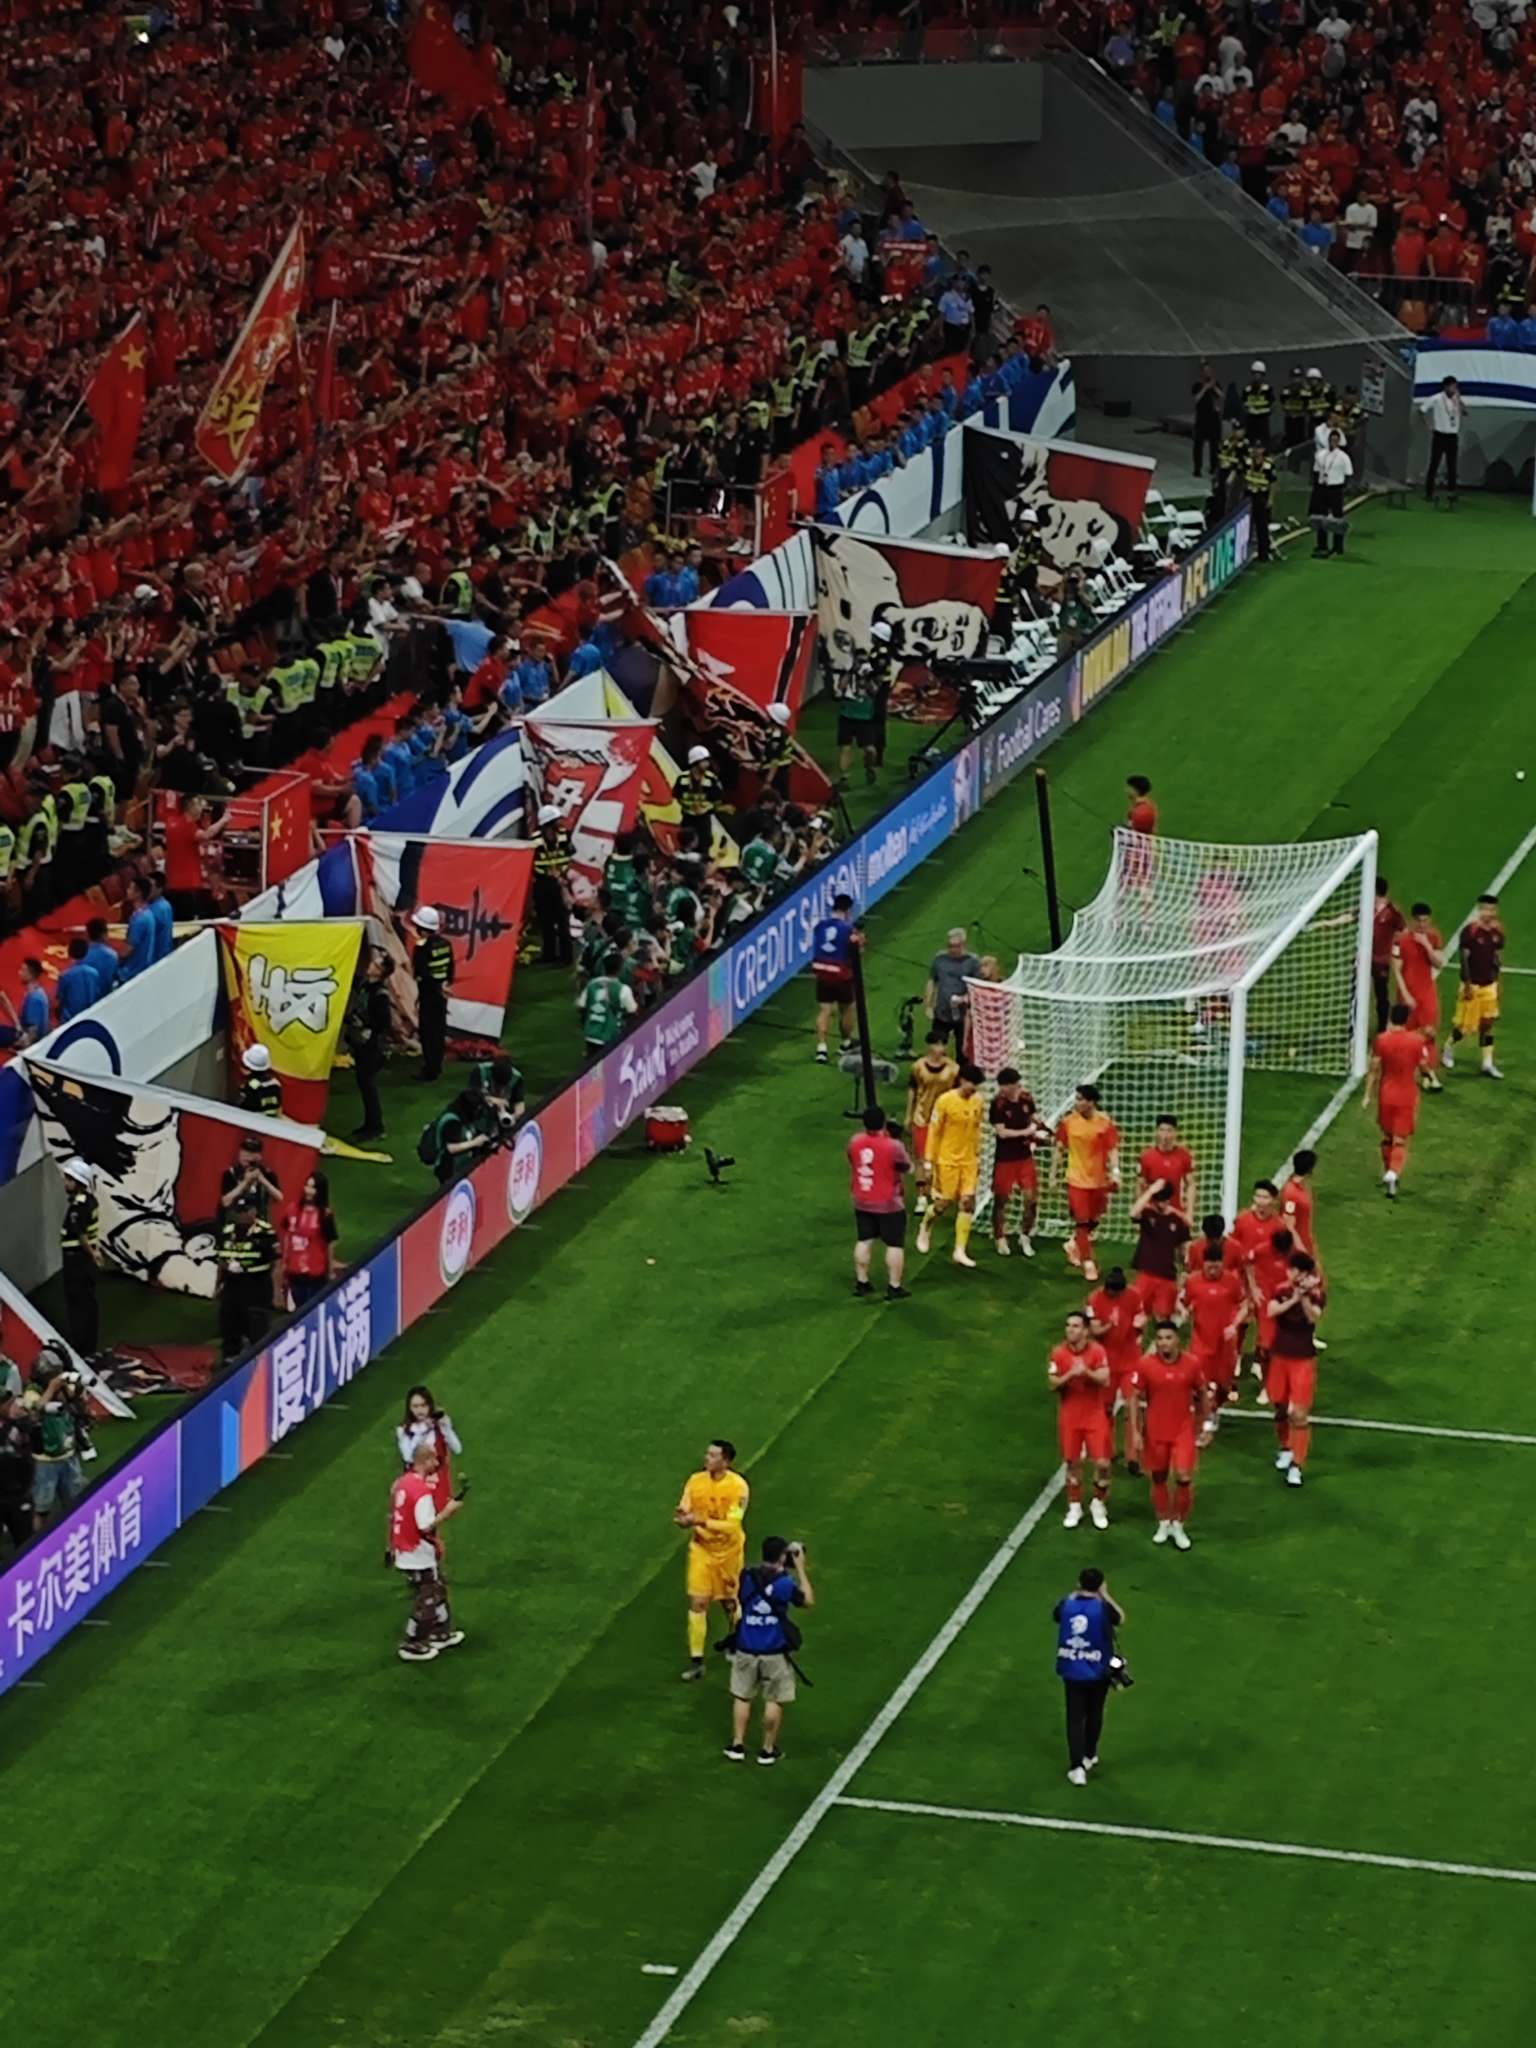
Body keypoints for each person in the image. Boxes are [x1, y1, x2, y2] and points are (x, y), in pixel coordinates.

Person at [724, 1535, 814, 1766]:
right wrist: (800, 1568)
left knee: (742, 1696)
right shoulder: (785, 1584)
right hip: (773, 1649)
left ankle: (737, 1745)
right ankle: (767, 1750)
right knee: (774, 1699)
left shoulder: (747, 1576)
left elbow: (736, 1597)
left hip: (746, 1646)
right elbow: (807, 1601)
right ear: (783, 1557)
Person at [1130, 1320, 1211, 1550]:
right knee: (1159, 1477)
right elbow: (1133, 1397)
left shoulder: (1191, 1364)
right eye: (1159, 1338)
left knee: (1184, 1476)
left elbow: (1202, 1393)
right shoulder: (1145, 1365)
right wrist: (1135, 1431)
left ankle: (1179, 1524)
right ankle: (1164, 1520)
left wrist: (1208, 1425)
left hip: (1182, 1430)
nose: (1163, 1343)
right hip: (1155, 1430)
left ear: (1177, 1340)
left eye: (1168, 1338)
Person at [676, 1438, 749, 1682]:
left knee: (729, 1602)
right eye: (707, 1454)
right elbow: (685, 1507)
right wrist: (683, 1517)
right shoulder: (695, 1481)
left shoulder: (738, 1488)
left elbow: (731, 1526)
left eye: (713, 1455)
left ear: (725, 1461)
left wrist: (699, 1521)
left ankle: (737, 1642)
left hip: (729, 1553)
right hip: (701, 1550)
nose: (706, 1458)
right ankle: (696, 1662)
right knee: (698, 1603)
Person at [388, 1438, 467, 1663]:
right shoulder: (421, 1490)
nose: (437, 1463)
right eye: (434, 1459)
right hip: (417, 1553)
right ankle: (412, 1643)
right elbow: (425, 1525)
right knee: (428, 1598)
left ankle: (440, 1632)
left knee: (438, 1588)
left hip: (405, 1548)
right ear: (425, 1460)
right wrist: (448, 1511)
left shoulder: (403, 1482)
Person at [1055, 1565, 1125, 1786]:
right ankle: (1089, 1755)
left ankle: (1077, 1768)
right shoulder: (1103, 1608)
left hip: (1072, 1669)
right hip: (1098, 1670)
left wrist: (1076, 1592)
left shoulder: (1066, 1604)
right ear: (1101, 1585)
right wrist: (1105, 1595)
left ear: (1079, 1583)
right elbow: (1120, 1618)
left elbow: (1057, 1615)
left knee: (1075, 1719)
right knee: (1095, 1712)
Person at [1050, 1310, 1113, 1531]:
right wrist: (1070, 1374)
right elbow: (1052, 1384)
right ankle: (1074, 1505)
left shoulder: (1097, 1351)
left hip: (1094, 1415)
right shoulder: (1058, 1353)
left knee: (1103, 1463)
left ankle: (1098, 1502)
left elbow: (1105, 1379)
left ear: (1086, 1331)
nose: (1070, 1329)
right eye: (1068, 1325)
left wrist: (1085, 1372)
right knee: (1072, 1462)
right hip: (1070, 1415)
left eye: (1075, 1326)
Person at [915, 1063, 984, 1267]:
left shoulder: (978, 1101)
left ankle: (960, 1250)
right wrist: (929, 1162)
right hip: (947, 1161)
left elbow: (977, 1128)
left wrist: (978, 1154)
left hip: (969, 1161)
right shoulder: (945, 1101)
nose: (974, 1088)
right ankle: (926, 1225)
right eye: (972, 1083)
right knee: (944, 1203)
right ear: (962, 1080)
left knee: (967, 1202)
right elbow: (934, 1132)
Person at [1267, 1251, 1325, 1486]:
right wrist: (1293, 1298)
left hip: (1302, 1361)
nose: (1290, 1273)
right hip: (1279, 1357)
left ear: (1303, 1273)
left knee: (1299, 1415)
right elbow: (1271, 1311)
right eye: (1290, 1270)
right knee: (1279, 1407)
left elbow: (1313, 1318)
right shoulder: (1281, 1290)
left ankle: (1297, 1466)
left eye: (1294, 1270)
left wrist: (1303, 1298)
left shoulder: (1317, 1294)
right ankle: (1285, 1447)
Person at [1054, 1083, 1121, 1284]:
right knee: (1082, 1222)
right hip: (1076, 1180)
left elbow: (1112, 1149)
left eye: (1081, 1099)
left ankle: (1073, 1243)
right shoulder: (1068, 1122)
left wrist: (1116, 1172)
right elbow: (1059, 1148)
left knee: (1095, 1218)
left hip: (1099, 1180)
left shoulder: (1105, 1122)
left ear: (1091, 1102)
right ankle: (1088, 1261)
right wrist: (1054, 1174)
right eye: (1077, 1099)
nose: (1077, 1103)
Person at [847, 1104, 911, 1302]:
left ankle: (862, 1282)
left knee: (864, 1240)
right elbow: (906, 1167)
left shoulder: (855, 1141)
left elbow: (852, 1160)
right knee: (894, 1244)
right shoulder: (893, 1146)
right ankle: (894, 1286)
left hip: (862, 1199)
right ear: (883, 1122)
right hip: (888, 1202)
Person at [1184, 1239, 1249, 1432]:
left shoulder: (1232, 1282)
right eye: (1209, 1267)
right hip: (1201, 1340)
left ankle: (1215, 1407)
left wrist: (1234, 1325)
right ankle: (1204, 1417)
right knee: (1199, 1383)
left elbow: (1245, 1305)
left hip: (1225, 1342)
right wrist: (1185, 1311)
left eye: (1216, 1266)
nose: (1213, 1271)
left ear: (1222, 1264)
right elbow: (1182, 1302)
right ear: (1203, 1263)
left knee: (1223, 1384)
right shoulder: (1193, 1282)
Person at [1364, 1001, 1429, 1197]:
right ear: (1407, 1019)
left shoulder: (1381, 1040)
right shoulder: (1416, 1041)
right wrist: (1428, 1076)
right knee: (1400, 1140)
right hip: (1406, 1094)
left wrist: (1367, 1095)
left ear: (1391, 1018)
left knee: (1387, 1137)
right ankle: (1393, 1173)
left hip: (1386, 1094)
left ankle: (1390, 1179)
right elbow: (1423, 1066)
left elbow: (1373, 1069)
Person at [1086, 1266, 1146, 1472]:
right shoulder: (1094, 1299)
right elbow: (1094, 1331)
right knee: (1105, 1408)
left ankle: (1133, 1456)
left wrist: (1140, 1326)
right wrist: (1110, 1325)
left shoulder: (1134, 1296)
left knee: (1133, 1406)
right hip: (1106, 1362)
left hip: (1130, 1360)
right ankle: (1106, 1450)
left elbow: (1141, 1318)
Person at [1443, 893, 1505, 1079]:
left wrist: (1497, 979)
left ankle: (1487, 1062)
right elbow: (1464, 959)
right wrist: (1468, 984)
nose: (1488, 913)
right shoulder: (1470, 932)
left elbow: (1497, 955)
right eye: (1485, 909)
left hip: (1489, 986)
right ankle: (1448, 1047)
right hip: (1472, 986)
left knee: (1488, 1024)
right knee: (1463, 1027)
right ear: (1479, 910)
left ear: (1496, 911)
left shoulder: (1497, 932)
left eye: (1491, 910)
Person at [989, 1067, 1047, 1256]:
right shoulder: (998, 1103)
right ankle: (1000, 1237)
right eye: (1001, 1085)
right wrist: (1027, 1132)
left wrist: (1041, 1129)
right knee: (1001, 1199)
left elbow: (1033, 1117)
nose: (1002, 1089)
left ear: (1015, 1085)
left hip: (1024, 1157)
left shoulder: (1026, 1098)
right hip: (1005, 1159)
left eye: (1006, 1085)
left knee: (1031, 1199)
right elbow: (1001, 1132)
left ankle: (1025, 1236)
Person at [215, 1203, 281, 1361]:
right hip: (232, 1285)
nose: (242, 1216)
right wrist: (217, 1285)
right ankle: (230, 1360)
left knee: (257, 1327)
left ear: (253, 1211)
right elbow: (221, 1260)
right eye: (238, 1212)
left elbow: (276, 1262)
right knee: (229, 1324)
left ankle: (259, 1362)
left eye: (245, 1211)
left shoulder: (265, 1232)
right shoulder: (227, 1231)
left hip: (256, 1285)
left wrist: (277, 1291)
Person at [904, 1030, 958, 1215]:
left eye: (942, 1044)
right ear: (929, 1046)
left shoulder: (953, 1069)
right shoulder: (918, 1067)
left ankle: (936, 1191)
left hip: (944, 1120)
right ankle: (921, 1197)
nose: (939, 1049)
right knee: (921, 1158)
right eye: (936, 1044)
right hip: (922, 1118)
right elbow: (912, 1090)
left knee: (941, 1159)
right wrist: (908, 1114)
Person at [1393, 902, 1445, 1086]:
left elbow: (1439, 963)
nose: (1422, 925)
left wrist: (1427, 946)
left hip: (1427, 992)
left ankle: (1428, 1073)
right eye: (1419, 921)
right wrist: (1405, 995)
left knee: (1429, 1032)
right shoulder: (1401, 939)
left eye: (1425, 921)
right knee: (1408, 1037)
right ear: (1412, 920)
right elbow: (1396, 969)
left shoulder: (1433, 937)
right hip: (1407, 994)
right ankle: (1418, 1073)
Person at [396, 1385, 463, 1524]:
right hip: (416, 1483)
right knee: (420, 1523)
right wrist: (423, 1432)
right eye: (415, 1406)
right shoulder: (404, 1430)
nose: (419, 1410)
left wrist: (446, 1428)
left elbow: (457, 1448)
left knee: (435, 1522)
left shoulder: (438, 1425)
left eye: (423, 1405)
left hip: (438, 1482)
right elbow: (408, 1457)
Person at [58, 1156, 103, 1359]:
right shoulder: (91, 1201)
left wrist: (92, 1254)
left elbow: (81, 1234)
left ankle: (81, 1348)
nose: (65, 1182)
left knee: (77, 1305)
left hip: (77, 1261)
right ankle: (89, 1345)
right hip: (84, 1262)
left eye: (68, 1179)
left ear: (77, 1183)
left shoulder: (79, 1207)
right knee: (88, 1303)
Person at [345, 947, 391, 1140]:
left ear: (380, 972)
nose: (370, 965)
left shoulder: (380, 995)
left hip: (372, 1046)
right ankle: (370, 1124)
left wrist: (365, 1025)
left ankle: (376, 1126)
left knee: (368, 1085)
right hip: (361, 1043)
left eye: (375, 964)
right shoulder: (364, 985)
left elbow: (383, 1023)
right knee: (364, 1085)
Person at [1128, 1179, 1190, 1320]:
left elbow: (1183, 1249)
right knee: (1137, 1312)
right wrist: (1150, 1191)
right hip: (1146, 1272)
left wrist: (1185, 1270)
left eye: (1165, 1200)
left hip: (1167, 1275)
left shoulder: (1178, 1219)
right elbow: (1133, 1213)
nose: (1162, 1203)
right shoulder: (1147, 1213)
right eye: (1159, 1200)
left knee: (1163, 1316)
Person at [277, 1170, 339, 1310]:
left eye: (313, 1188)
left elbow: (329, 1243)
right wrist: (284, 1262)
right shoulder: (292, 1209)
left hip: (315, 1273)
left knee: (312, 1310)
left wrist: (330, 1270)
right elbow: (287, 1236)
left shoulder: (325, 1215)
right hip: (294, 1271)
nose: (308, 1191)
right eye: (307, 1186)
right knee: (299, 1308)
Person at [810, 890, 860, 1065]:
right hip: (841, 973)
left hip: (822, 972)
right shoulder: (848, 929)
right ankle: (846, 1043)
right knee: (846, 1009)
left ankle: (821, 1048)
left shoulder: (820, 925)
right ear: (847, 910)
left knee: (824, 1010)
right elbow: (855, 950)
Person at [412, 905, 454, 1082]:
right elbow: (451, 968)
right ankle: (437, 1065)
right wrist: (445, 984)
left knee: (428, 1033)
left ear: (422, 929)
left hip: (429, 994)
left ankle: (430, 1070)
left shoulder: (421, 947)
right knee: (439, 1030)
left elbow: (422, 973)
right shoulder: (446, 944)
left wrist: (433, 987)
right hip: (442, 994)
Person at [531, 803, 576, 965]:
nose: (560, 823)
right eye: (557, 820)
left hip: (560, 882)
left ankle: (566, 957)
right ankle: (548, 955)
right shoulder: (535, 841)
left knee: (563, 921)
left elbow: (570, 855)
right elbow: (530, 863)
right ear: (548, 824)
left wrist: (562, 875)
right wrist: (545, 873)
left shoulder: (565, 836)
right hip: (543, 882)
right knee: (546, 921)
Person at [924, 927, 981, 1055]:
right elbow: (932, 981)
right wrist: (928, 1005)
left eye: (956, 946)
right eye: (949, 946)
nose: (952, 949)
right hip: (942, 1012)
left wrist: (966, 997)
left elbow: (978, 988)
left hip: (963, 1015)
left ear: (963, 945)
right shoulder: (940, 959)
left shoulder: (972, 962)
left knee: (963, 1052)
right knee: (936, 1048)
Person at [427, 1087, 498, 1185]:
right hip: (450, 1167)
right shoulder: (451, 1122)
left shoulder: (464, 1115)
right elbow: (450, 1148)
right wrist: (474, 1143)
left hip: (464, 1162)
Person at [577, 949, 637, 1055]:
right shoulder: (623, 989)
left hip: (591, 1034)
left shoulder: (592, 984)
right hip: (610, 1035)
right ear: (620, 968)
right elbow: (632, 1010)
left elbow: (580, 1005)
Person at [0, 1387, 36, 1552]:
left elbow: (38, 1448)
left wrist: (31, 1423)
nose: (12, 1406)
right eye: (8, 1404)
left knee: (25, 1542)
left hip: (19, 1494)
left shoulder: (19, 1426)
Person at [1371, 877, 1407, 1035]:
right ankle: (1354, 1027)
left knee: (1381, 995)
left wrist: (1395, 949)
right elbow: (1350, 916)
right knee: (1356, 993)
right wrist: (1326, 923)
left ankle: (1382, 1027)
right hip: (1363, 959)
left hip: (1381, 961)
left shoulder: (1392, 912)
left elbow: (1404, 930)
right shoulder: (1367, 906)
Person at [1138, 1113, 1194, 1213]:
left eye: (1169, 1130)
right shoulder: (1146, 1156)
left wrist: (1190, 1213)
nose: (1165, 1135)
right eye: (1162, 1130)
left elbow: (1190, 1184)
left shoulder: (1184, 1155)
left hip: (1175, 1212)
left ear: (1175, 1132)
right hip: (1152, 1212)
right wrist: (1140, 1211)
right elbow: (1140, 1185)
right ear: (1156, 1132)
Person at [1310, 428, 1353, 557]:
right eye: (1331, 440)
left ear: (1338, 442)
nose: (1333, 442)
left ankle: (1338, 546)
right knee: (1321, 517)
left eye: (1335, 440)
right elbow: (1316, 471)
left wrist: (1343, 488)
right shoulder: (1321, 455)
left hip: (1336, 488)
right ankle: (1322, 545)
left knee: (1337, 518)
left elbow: (1348, 473)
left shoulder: (1343, 457)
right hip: (1323, 487)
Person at [1422, 375, 1466, 499]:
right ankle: (1429, 492)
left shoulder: (1456, 399)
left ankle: (1451, 493)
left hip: (1452, 436)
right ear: (1446, 387)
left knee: (1452, 465)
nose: (1454, 389)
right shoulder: (1436, 398)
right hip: (1440, 435)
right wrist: (1429, 425)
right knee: (1434, 464)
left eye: (1456, 387)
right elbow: (1422, 410)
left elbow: (1465, 413)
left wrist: (1460, 401)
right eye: (1453, 386)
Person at [220, 1134, 282, 1218]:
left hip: (259, 1220)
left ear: (259, 1156)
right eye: (243, 1150)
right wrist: (245, 1182)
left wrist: (262, 1179)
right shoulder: (230, 1173)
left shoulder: (267, 1173)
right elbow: (225, 1202)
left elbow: (279, 1198)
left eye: (251, 1152)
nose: (246, 1155)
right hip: (236, 1219)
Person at [1278, 1149, 1320, 1263]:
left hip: (1305, 1243)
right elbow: (1288, 1225)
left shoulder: (1303, 1188)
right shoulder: (1291, 1192)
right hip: (1295, 1250)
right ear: (1310, 1169)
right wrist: (1302, 1251)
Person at [56, 938, 101, 1023]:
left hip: (70, 1017)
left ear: (69, 952)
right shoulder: (94, 973)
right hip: (90, 1014)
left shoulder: (66, 975)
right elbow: (97, 993)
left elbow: (60, 998)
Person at [1191, 361, 1222, 477]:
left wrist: (1213, 387)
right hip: (1201, 419)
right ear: (1202, 373)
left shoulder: (1215, 384)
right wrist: (1205, 387)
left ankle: (1214, 467)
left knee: (1214, 445)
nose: (1208, 373)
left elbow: (1221, 395)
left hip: (1213, 419)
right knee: (1198, 445)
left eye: (1209, 370)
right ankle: (1197, 468)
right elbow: (1196, 398)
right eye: (1206, 371)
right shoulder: (1197, 385)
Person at [237, 1042, 284, 1118]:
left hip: (255, 1121)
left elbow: (246, 1109)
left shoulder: (250, 1086)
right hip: (273, 1122)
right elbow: (278, 1108)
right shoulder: (275, 1083)